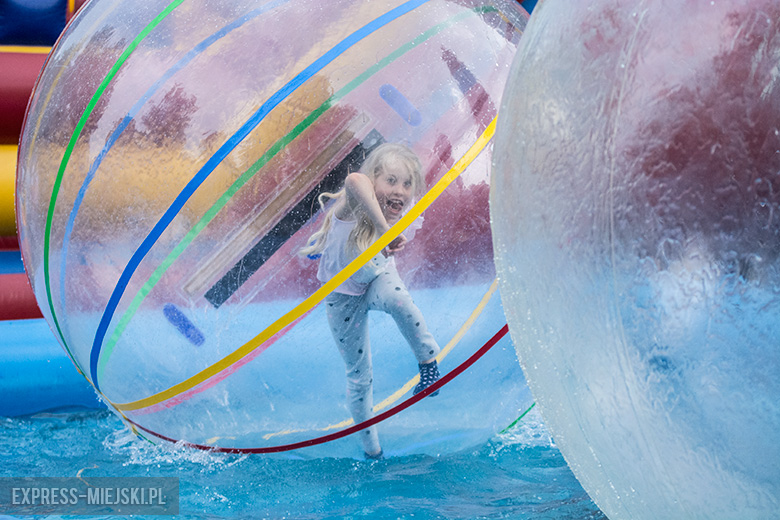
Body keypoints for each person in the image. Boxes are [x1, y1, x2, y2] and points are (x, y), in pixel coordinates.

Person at [300, 143, 441, 459]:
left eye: (406, 184)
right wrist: (382, 227)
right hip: (342, 297)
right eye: (390, 181)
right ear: (374, 180)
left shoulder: (405, 213)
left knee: (399, 300)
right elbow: (353, 181)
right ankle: (372, 451)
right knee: (360, 377)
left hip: (377, 277)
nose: (400, 191)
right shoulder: (352, 206)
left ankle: (429, 363)